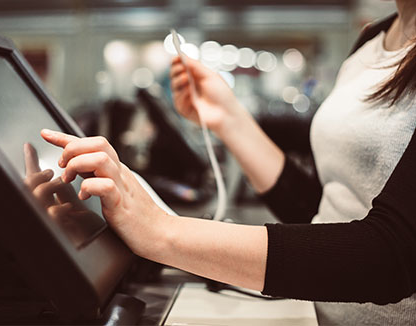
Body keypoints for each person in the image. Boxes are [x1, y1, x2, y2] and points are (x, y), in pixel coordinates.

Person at [41, 1, 416, 324]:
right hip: (314, 314)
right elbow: (322, 212)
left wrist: (161, 232)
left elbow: (391, 255)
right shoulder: (373, 40)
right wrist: (226, 117)